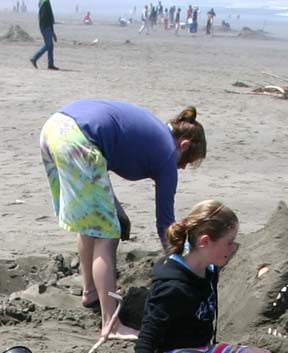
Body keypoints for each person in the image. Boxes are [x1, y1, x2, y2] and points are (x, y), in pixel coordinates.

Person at [40, 99, 207, 340]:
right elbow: (165, 223)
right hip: (78, 140)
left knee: (90, 223)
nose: (181, 168)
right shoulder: (168, 153)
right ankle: (112, 324)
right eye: (187, 161)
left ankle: (91, 292)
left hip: (55, 129)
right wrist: (182, 266)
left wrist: (116, 208)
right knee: (108, 235)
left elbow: (100, 162)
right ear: (184, 144)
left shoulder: (154, 132)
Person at [126, 200, 273, 353]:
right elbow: (146, 342)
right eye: (229, 242)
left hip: (203, 349)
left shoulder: (208, 266)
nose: (233, 248)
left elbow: (238, 254)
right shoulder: (171, 287)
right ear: (205, 241)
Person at [30, 0, 59, 70]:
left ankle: (50, 64)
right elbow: (43, 17)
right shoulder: (45, 2)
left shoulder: (44, 0)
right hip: (46, 27)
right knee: (48, 45)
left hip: (46, 27)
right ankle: (34, 58)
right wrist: (50, 30)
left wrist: (52, 32)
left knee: (50, 46)